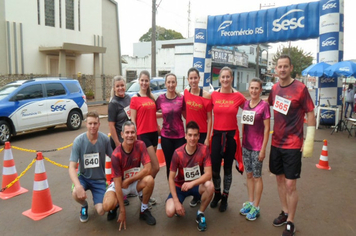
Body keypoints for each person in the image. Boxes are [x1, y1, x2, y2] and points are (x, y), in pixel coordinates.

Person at [268, 55, 315, 236]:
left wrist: (309, 141)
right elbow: (266, 108)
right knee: (279, 180)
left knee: (290, 185)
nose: (282, 69)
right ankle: (284, 211)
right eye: (279, 66)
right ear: (276, 69)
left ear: (291, 67)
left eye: (285, 66)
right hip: (276, 143)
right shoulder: (274, 89)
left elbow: (310, 113)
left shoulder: (301, 88)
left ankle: (291, 222)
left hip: (293, 144)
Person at [102, 121, 156, 230]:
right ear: (122, 134)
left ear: (136, 134)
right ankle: (115, 207)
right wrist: (123, 210)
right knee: (107, 205)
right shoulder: (116, 155)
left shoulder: (140, 145)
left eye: (132, 132)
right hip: (120, 185)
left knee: (150, 180)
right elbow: (117, 184)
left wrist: (130, 180)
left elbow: (148, 168)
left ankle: (143, 210)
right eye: (127, 132)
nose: (130, 135)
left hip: (132, 182)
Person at [165, 121, 214, 232]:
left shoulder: (204, 150)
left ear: (199, 136)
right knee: (170, 211)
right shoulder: (178, 153)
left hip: (196, 185)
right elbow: (171, 178)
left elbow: (208, 174)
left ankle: (200, 213)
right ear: (185, 136)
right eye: (190, 135)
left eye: (195, 135)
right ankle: (179, 204)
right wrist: (176, 202)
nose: (192, 138)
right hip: (180, 186)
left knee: (210, 186)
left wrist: (192, 183)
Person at [210, 66, 246, 212]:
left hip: (231, 136)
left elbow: (251, 110)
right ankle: (217, 193)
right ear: (219, 79)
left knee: (228, 168)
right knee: (214, 168)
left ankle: (225, 196)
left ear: (232, 78)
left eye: (228, 77)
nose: (225, 79)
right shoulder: (213, 95)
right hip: (217, 135)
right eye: (223, 77)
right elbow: (204, 111)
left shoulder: (239, 97)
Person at [68, 111, 113, 223]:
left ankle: (101, 197)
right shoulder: (79, 141)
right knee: (75, 192)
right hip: (84, 177)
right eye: (90, 123)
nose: (92, 126)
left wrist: (116, 178)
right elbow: (72, 167)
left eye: (95, 123)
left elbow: (114, 158)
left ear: (99, 124)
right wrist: (78, 186)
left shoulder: (105, 140)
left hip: (99, 180)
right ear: (86, 124)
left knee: (101, 211)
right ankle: (84, 206)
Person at [239, 78, 270, 221]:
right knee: (249, 175)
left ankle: (256, 207)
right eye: (251, 88)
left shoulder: (264, 106)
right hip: (246, 146)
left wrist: (263, 149)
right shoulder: (246, 104)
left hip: (258, 147)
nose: (253, 91)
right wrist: (241, 141)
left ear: (261, 89)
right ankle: (250, 203)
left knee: (257, 177)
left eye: (256, 88)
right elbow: (244, 124)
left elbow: (267, 129)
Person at [183, 67, 212, 207]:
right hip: (190, 135)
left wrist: (207, 137)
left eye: (195, 78)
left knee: (201, 164)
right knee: (192, 164)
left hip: (202, 134)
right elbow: (184, 110)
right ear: (188, 80)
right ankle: (196, 194)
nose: (193, 80)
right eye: (191, 78)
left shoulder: (206, 95)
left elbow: (210, 118)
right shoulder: (186, 93)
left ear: (199, 79)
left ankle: (202, 193)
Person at [130, 70, 159, 206]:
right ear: (138, 81)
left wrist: (166, 113)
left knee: (150, 168)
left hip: (154, 134)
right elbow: (133, 119)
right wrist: (134, 137)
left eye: (146, 80)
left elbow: (153, 115)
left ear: (149, 82)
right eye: (142, 80)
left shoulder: (151, 98)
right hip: (143, 135)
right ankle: (141, 189)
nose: (144, 83)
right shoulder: (134, 99)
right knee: (155, 167)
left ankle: (144, 191)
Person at [156, 73, 186, 179]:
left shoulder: (181, 99)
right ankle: (171, 190)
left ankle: (181, 189)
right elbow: (151, 113)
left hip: (180, 137)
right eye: (168, 82)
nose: (171, 84)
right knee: (170, 165)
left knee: (181, 164)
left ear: (176, 83)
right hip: (166, 138)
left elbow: (186, 116)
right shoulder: (160, 99)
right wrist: (157, 126)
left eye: (173, 82)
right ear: (165, 84)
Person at [108, 76, 131, 206]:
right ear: (114, 88)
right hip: (118, 141)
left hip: (128, 139)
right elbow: (111, 125)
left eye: (122, 85)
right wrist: (117, 143)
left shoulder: (129, 98)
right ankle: (120, 196)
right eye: (118, 86)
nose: (120, 88)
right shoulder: (113, 103)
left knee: (128, 167)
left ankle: (127, 190)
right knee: (119, 170)